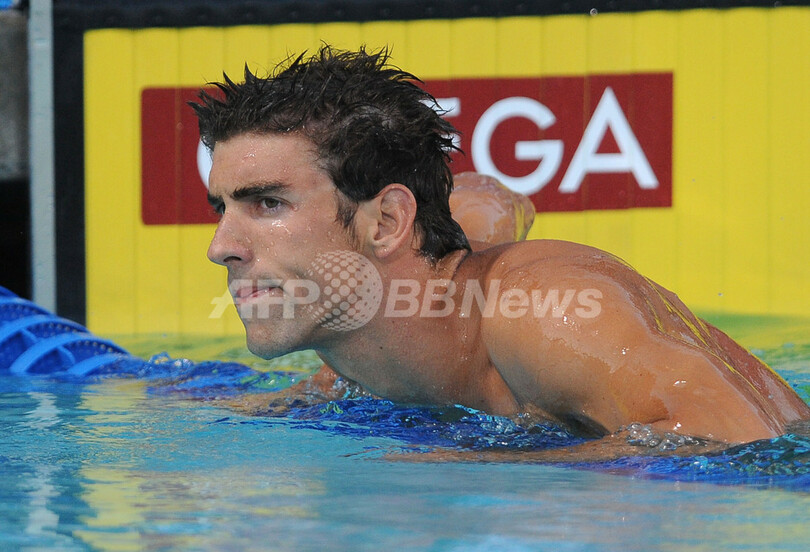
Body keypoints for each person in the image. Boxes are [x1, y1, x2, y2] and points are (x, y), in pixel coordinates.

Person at [192, 45, 810, 459]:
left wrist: (485, 464)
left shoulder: (553, 314)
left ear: (388, 221)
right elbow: (489, 198)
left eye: (268, 203)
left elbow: (742, 444)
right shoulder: (385, 310)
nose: (222, 247)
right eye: (222, 207)